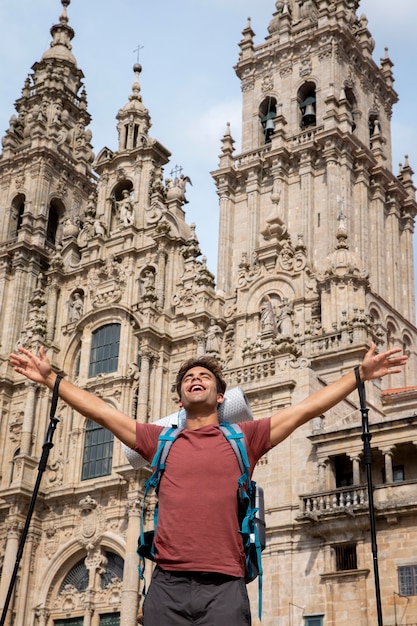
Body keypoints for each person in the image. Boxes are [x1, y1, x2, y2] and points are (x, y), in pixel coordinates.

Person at [9, 343, 407, 625]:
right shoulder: (157, 441)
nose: (195, 379)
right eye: (188, 378)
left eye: (204, 377)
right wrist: (52, 381)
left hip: (225, 586)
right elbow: (102, 410)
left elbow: (307, 408)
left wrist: (360, 375)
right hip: (167, 586)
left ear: (220, 397)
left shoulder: (246, 439)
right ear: (180, 399)